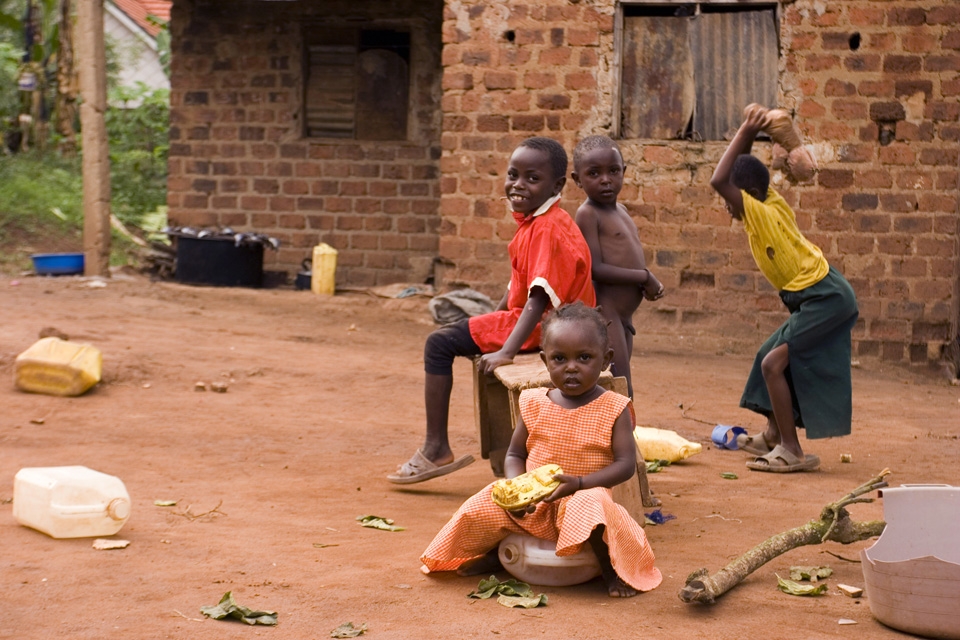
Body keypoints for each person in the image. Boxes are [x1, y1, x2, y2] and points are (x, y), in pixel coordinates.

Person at [388, 137, 595, 484]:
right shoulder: (540, 221)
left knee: (437, 345)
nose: (518, 185)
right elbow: (518, 288)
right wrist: (488, 322)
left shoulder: (546, 228)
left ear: (557, 185)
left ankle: (436, 448)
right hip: (542, 323)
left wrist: (505, 351)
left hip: (547, 329)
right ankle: (453, 448)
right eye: (513, 175)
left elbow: (538, 299)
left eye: (532, 178)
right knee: (454, 333)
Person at [419, 303, 661, 597]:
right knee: (484, 502)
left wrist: (581, 483)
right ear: (546, 361)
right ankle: (494, 553)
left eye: (584, 357)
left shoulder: (613, 407)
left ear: (605, 360)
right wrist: (517, 485)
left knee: (590, 503)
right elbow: (514, 455)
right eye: (560, 358)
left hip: (581, 501)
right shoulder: (534, 401)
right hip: (534, 505)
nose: (571, 367)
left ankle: (611, 571)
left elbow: (624, 465)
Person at [709, 105, 859, 473]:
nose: (728, 206)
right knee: (770, 350)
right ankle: (774, 434)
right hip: (821, 294)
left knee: (773, 364)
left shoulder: (758, 211)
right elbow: (741, 174)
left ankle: (792, 449)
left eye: (732, 200)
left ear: (747, 194)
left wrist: (747, 129)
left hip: (827, 298)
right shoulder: (766, 199)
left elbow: (720, 179)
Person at [572, 135, 664, 398]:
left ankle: (617, 436)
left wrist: (642, 280)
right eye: (593, 173)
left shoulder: (621, 209)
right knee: (621, 387)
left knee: (619, 384)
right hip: (607, 313)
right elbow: (596, 269)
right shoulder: (588, 213)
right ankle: (620, 438)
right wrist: (644, 277)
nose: (605, 179)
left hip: (625, 316)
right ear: (577, 180)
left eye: (613, 171)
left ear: (623, 172)